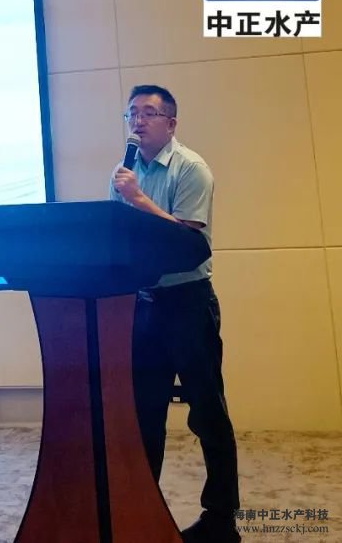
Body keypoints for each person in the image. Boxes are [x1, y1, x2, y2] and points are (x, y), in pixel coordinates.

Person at [110, 84, 240, 543]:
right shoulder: (124, 173)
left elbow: (189, 242)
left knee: (207, 413)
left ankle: (221, 521)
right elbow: (119, 237)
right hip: (145, 305)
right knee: (144, 414)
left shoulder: (191, 168)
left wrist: (140, 200)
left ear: (171, 123)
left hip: (189, 302)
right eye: (132, 113)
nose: (138, 121)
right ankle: (144, 510)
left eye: (148, 113)